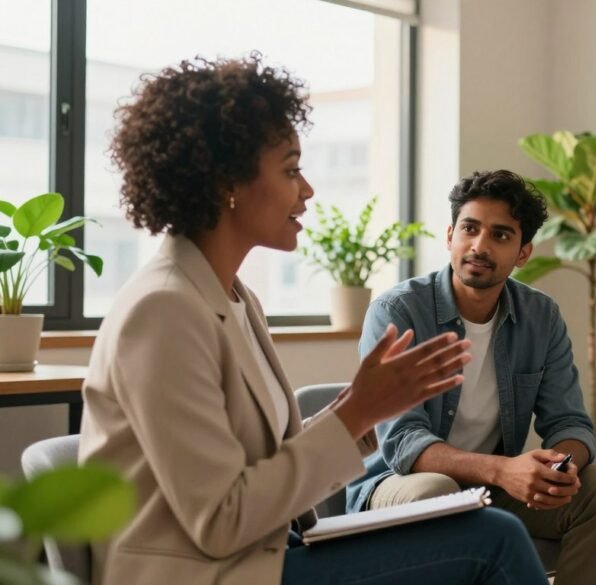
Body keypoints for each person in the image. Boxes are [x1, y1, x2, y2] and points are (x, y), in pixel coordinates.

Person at [78, 54, 548, 585]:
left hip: (272, 550)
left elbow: (268, 468)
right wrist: (357, 412)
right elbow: (220, 520)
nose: (307, 190)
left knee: (472, 527)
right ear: (225, 182)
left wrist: (361, 408)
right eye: (290, 169)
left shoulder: (234, 298)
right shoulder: (162, 310)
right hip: (206, 574)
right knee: (494, 539)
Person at [346, 169, 596, 585]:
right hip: (399, 484)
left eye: (500, 235)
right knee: (436, 492)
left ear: (523, 253)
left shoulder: (541, 315)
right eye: (470, 229)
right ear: (450, 236)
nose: (480, 245)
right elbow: (404, 443)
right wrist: (503, 470)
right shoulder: (398, 311)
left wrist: (561, 465)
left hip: (493, 487)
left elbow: (569, 421)